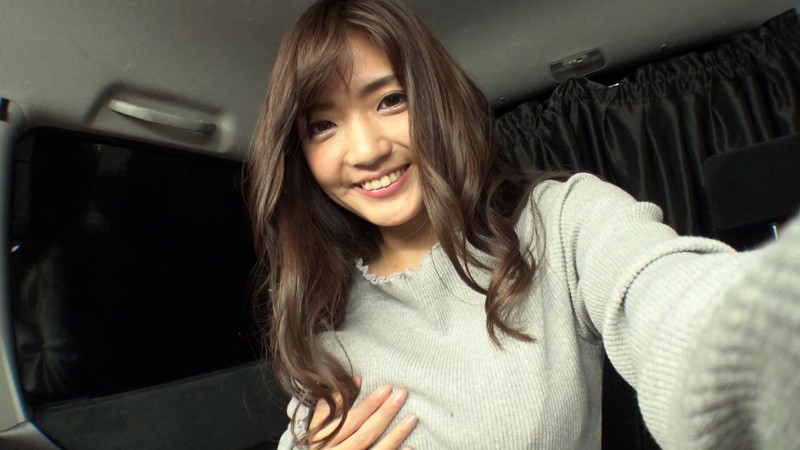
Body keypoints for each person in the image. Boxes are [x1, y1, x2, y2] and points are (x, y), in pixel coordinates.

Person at [247, 0, 800, 448]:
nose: (366, 150)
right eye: (323, 125)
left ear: (438, 102)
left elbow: (677, 300)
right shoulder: (323, 309)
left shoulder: (562, 221)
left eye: (391, 100)